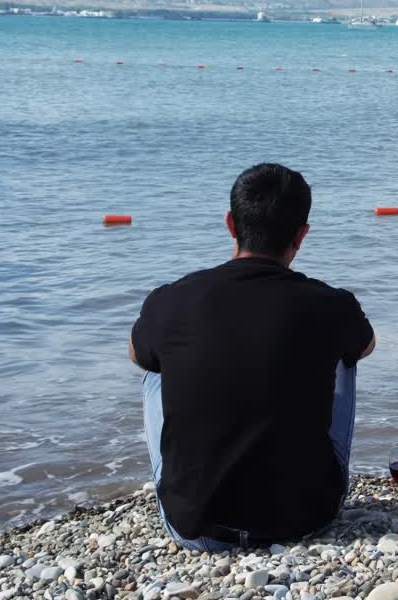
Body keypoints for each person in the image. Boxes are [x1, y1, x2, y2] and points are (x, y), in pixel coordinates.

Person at [131, 163, 376, 551]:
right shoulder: (331, 303)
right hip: (305, 517)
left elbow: (135, 353)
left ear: (230, 223)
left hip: (195, 526)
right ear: (302, 234)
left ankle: (192, 482)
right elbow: (366, 345)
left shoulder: (171, 299)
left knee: (153, 362)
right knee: (346, 353)